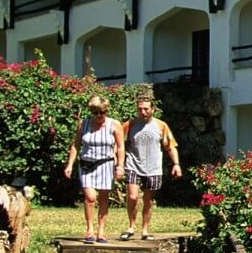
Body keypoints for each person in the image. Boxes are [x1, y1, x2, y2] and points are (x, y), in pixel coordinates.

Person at [63, 95, 126, 243]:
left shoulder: (114, 124)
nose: (99, 116)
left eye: (102, 112)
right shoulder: (84, 124)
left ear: (106, 111)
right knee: (90, 197)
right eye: (96, 112)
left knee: (103, 198)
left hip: (106, 163)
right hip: (86, 164)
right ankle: (90, 229)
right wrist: (70, 164)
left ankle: (101, 231)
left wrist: (120, 167)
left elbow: (121, 147)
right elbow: (76, 145)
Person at [120, 95, 182, 240]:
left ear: (152, 109)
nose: (143, 112)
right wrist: (118, 163)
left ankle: (145, 230)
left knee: (148, 200)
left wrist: (176, 164)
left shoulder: (161, 126)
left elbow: (170, 147)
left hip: (153, 167)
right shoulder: (129, 125)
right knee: (132, 196)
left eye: (146, 109)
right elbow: (119, 143)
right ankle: (131, 227)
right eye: (140, 109)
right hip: (133, 165)